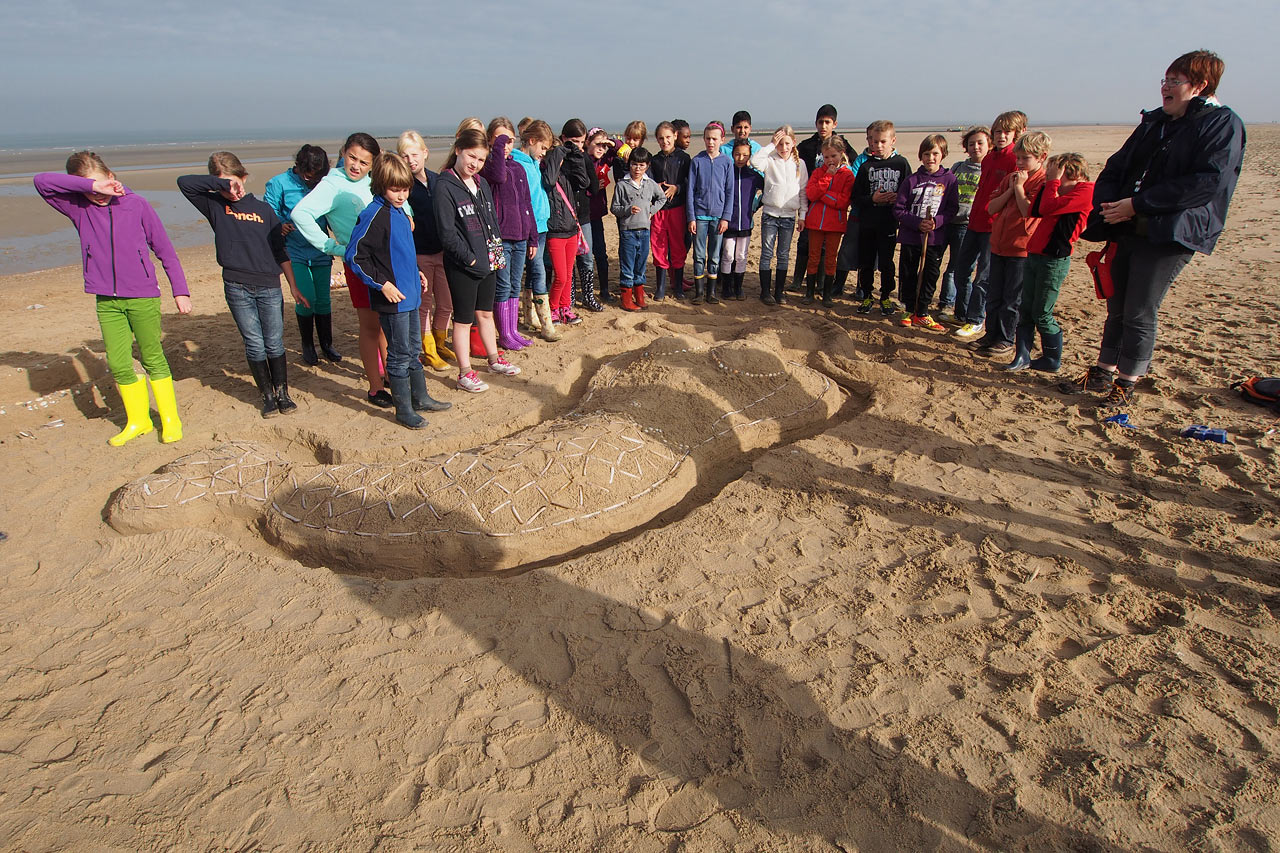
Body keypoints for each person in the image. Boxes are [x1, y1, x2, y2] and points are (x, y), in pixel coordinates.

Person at [1066, 50, 1245, 406]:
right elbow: (1116, 168)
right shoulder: (1154, 122)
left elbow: (1206, 182)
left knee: (1139, 309)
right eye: (1164, 80)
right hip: (1127, 226)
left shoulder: (1222, 124)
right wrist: (1110, 207)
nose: (1165, 87)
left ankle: (1127, 382)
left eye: (1174, 82)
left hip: (1170, 233)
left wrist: (1138, 204)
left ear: (1200, 86)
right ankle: (1102, 372)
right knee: (1116, 307)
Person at [35, 152, 191, 446]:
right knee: (118, 364)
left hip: (143, 296)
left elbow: (165, 251)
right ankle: (139, 421)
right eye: (87, 188)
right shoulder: (78, 208)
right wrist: (91, 188)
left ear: (112, 177)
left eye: (101, 183)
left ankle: (170, 420)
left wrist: (180, 291)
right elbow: (41, 182)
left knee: (152, 358)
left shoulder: (137, 204)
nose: (98, 193)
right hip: (107, 299)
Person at [178, 151, 303, 417]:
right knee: (254, 344)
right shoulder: (215, 206)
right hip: (236, 286)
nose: (233, 190)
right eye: (225, 184)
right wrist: (221, 185)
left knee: (274, 343)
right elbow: (184, 183)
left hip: (269, 286)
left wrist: (292, 285)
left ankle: (283, 393)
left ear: (244, 177)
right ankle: (267, 396)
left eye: (235, 182)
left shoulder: (264, 210)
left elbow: (281, 252)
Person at [346, 153, 451, 428]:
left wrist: (415, 273)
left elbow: (402, 252)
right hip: (392, 299)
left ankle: (421, 397)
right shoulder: (374, 214)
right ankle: (403, 409)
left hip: (411, 294)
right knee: (399, 352)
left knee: (414, 349)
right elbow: (355, 256)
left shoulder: (401, 212)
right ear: (381, 185)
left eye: (405, 189)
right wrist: (383, 284)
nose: (402, 194)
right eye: (395, 189)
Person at [291, 132, 391, 407]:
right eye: (352, 158)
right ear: (344, 153)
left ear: (373, 163)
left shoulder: (375, 180)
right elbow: (300, 214)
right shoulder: (332, 184)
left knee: (386, 323)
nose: (356, 166)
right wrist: (333, 247)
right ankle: (375, 387)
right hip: (360, 265)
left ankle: (390, 375)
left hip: (388, 263)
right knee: (370, 326)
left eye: (363, 161)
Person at [435, 129, 522, 393]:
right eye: (471, 156)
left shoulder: (481, 183)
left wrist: (495, 258)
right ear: (458, 150)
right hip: (464, 266)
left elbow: (491, 222)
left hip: (489, 262)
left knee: (485, 313)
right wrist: (471, 261)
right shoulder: (444, 185)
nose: (475, 163)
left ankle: (494, 359)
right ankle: (465, 372)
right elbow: (447, 233)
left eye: (481, 159)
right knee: (463, 320)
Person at [1003, 153, 1094, 372]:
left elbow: (1047, 208)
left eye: (1056, 173)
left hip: (1054, 259)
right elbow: (1034, 209)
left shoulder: (1086, 191)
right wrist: (1049, 184)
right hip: (1035, 254)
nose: (1051, 177)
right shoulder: (1052, 190)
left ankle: (1052, 359)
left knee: (1042, 313)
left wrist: (1052, 182)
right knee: (1025, 308)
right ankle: (1022, 356)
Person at [967, 131, 1050, 358]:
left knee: (1012, 298)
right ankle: (991, 334)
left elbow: (1028, 210)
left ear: (1041, 157)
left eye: (1026, 158)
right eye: (1018, 157)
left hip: (1022, 248)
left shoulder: (1043, 182)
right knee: (994, 294)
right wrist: (1012, 188)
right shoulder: (1010, 178)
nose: (1020, 163)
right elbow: (991, 208)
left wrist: (1020, 189)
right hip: (999, 244)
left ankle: (1005, 339)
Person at [264, 144, 343, 366]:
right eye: (308, 177)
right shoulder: (279, 183)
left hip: (321, 248)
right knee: (306, 296)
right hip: (294, 251)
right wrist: (280, 224)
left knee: (324, 299)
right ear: (298, 167)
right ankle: (307, 345)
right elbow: (268, 213)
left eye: (317, 178)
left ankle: (327, 344)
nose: (312, 182)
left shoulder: (324, 183)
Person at [952, 110, 1026, 340]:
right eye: (997, 131)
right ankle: (963, 313)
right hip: (973, 221)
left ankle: (975, 320)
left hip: (994, 226)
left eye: (1006, 132)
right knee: (960, 270)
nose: (1001, 136)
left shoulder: (1014, 158)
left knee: (983, 277)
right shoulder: (991, 157)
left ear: (1017, 133)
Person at [397, 131, 455, 370]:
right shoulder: (403, 186)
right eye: (404, 156)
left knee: (447, 302)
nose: (411, 160)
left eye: (414, 154)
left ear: (425, 153)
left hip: (443, 252)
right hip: (419, 254)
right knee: (424, 304)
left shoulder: (438, 180)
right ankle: (429, 350)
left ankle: (440, 343)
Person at [482, 117, 538, 351]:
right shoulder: (488, 166)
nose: (505, 145)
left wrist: (533, 236)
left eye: (510, 140)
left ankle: (512, 330)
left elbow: (527, 202)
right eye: (500, 140)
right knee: (502, 286)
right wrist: (497, 149)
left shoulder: (518, 167)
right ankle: (504, 333)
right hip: (499, 238)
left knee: (515, 284)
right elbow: (498, 176)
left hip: (521, 235)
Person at [893, 135, 959, 331]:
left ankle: (922, 312)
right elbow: (899, 209)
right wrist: (917, 223)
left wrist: (935, 222)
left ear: (943, 155)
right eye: (927, 154)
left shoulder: (949, 180)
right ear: (921, 156)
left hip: (934, 238)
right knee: (908, 273)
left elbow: (952, 209)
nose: (931, 158)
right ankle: (908, 309)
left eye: (935, 154)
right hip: (911, 236)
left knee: (930, 274)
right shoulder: (911, 180)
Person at [852, 120, 911, 315]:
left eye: (883, 142)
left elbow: (909, 193)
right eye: (875, 142)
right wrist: (873, 199)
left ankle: (885, 296)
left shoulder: (901, 164)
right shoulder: (865, 167)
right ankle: (867, 294)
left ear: (892, 141)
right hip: (868, 223)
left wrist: (898, 200)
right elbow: (856, 198)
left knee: (886, 263)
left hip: (888, 223)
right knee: (866, 262)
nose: (878, 146)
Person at [795, 105, 856, 291]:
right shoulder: (806, 146)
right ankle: (798, 280)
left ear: (834, 123)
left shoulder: (843, 146)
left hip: (832, 213)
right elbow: (799, 171)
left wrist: (825, 195)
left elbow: (855, 168)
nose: (823, 126)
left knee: (827, 252)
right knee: (806, 244)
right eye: (820, 122)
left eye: (827, 122)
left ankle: (822, 284)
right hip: (811, 207)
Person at [512, 120, 560, 341]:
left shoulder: (533, 163)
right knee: (538, 271)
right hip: (528, 228)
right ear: (531, 141)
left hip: (541, 225)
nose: (543, 153)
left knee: (534, 271)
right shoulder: (517, 163)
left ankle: (530, 316)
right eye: (542, 148)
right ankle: (546, 324)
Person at [542, 119, 592, 326]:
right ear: (562, 138)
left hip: (571, 227)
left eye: (581, 142)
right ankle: (553, 309)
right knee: (560, 276)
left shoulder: (574, 161)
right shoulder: (550, 160)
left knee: (569, 274)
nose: (577, 145)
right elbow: (549, 181)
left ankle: (565, 309)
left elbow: (584, 182)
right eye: (573, 141)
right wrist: (560, 152)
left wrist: (578, 156)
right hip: (555, 229)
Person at [750, 125, 808, 305]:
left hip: (789, 216)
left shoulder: (800, 164)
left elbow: (803, 191)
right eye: (780, 144)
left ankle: (779, 291)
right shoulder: (770, 159)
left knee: (783, 254)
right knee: (767, 253)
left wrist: (802, 215)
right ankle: (765, 292)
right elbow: (754, 161)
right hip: (770, 214)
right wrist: (770, 145)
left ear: (794, 143)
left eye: (787, 143)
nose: (783, 148)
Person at [936, 126, 989, 321]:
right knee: (939, 263)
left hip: (967, 225)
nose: (975, 147)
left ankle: (957, 308)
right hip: (948, 221)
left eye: (980, 143)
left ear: (988, 145)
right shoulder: (958, 167)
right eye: (971, 143)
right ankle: (945, 303)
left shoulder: (988, 170)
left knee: (958, 268)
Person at [610, 147, 669, 311]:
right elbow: (614, 208)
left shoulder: (649, 184)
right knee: (628, 265)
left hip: (644, 230)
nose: (637, 168)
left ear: (647, 166)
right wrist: (628, 210)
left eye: (641, 165)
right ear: (629, 165)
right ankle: (626, 299)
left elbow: (662, 198)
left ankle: (639, 295)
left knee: (641, 265)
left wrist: (651, 211)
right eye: (634, 164)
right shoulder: (622, 184)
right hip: (628, 231)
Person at [801, 137, 854, 306]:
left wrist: (822, 195)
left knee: (831, 258)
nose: (830, 160)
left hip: (835, 224)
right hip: (816, 222)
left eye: (833, 156)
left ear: (841, 154)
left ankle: (827, 294)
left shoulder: (847, 175)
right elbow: (810, 194)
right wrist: (826, 179)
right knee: (813, 257)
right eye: (826, 157)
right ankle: (809, 293)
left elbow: (843, 201)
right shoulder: (818, 173)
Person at [686, 121, 734, 305]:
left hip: (718, 217)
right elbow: (690, 190)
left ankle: (711, 292)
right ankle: (699, 292)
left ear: (722, 139)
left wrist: (726, 217)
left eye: (714, 138)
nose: (710, 142)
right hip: (700, 216)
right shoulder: (697, 161)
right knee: (699, 255)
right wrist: (691, 217)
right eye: (707, 138)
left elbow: (729, 192)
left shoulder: (727, 163)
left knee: (714, 255)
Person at [648, 121, 692, 300]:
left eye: (668, 137)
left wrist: (677, 188)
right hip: (658, 210)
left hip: (677, 209)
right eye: (661, 138)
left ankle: (678, 286)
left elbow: (690, 182)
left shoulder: (684, 158)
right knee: (659, 246)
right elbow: (647, 181)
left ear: (675, 136)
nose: (665, 141)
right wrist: (654, 187)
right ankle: (660, 287)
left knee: (677, 247)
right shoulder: (654, 160)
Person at [720, 139, 765, 300]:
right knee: (728, 255)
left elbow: (767, 190)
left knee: (741, 256)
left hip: (746, 222)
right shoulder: (727, 173)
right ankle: (726, 287)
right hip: (728, 223)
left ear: (749, 156)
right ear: (732, 154)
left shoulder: (753, 176)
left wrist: (755, 206)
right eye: (737, 154)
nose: (740, 158)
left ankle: (738, 287)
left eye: (745, 155)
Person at [586, 128, 618, 303]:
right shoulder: (584, 160)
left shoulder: (604, 160)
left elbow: (619, 150)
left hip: (597, 215)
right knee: (585, 255)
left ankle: (604, 289)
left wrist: (611, 142)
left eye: (603, 146)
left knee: (601, 253)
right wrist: (592, 188)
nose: (601, 148)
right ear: (587, 143)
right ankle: (588, 289)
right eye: (597, 144)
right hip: (582, 215)